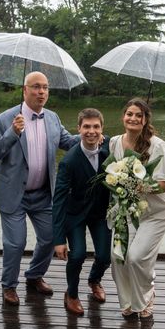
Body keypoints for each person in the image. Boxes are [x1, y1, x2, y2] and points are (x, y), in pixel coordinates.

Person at [0, 71, 78, 306]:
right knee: (16, 243)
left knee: (49, 238)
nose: (41, 92)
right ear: (24, 90)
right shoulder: (4, 119)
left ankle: (34, 275)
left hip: (43, 194)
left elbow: (68, 143)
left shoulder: (53, 119)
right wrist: (12, 133)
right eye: (36, 87)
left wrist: (94, 136)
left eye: (45, 87)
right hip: (12, 194)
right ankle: (9, 285)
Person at [109, 98, 165, 319]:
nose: (133, 118)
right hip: (125, 211)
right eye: (130, 114)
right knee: (118, 256)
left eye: (139, 115)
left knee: (136, 258)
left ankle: (146, 297)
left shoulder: (158, 146)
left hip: (154, 214)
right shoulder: (115, 143)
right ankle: (128, 301)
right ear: (123, 117)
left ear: (145, 120)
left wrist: (142, 185)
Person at [53, 108, 112, 316]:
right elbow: (59, 200)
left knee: (105, 256)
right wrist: (58, 238)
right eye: (86, 126)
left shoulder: (108, 149)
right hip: (75, 214)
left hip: (99, 214)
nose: (91, 131)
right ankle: (72, 293)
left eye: (96, 126)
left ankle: (94, 280)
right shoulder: (68, 161)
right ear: (78, 129)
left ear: (102, 129)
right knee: (77, 254)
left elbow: (126, 142)